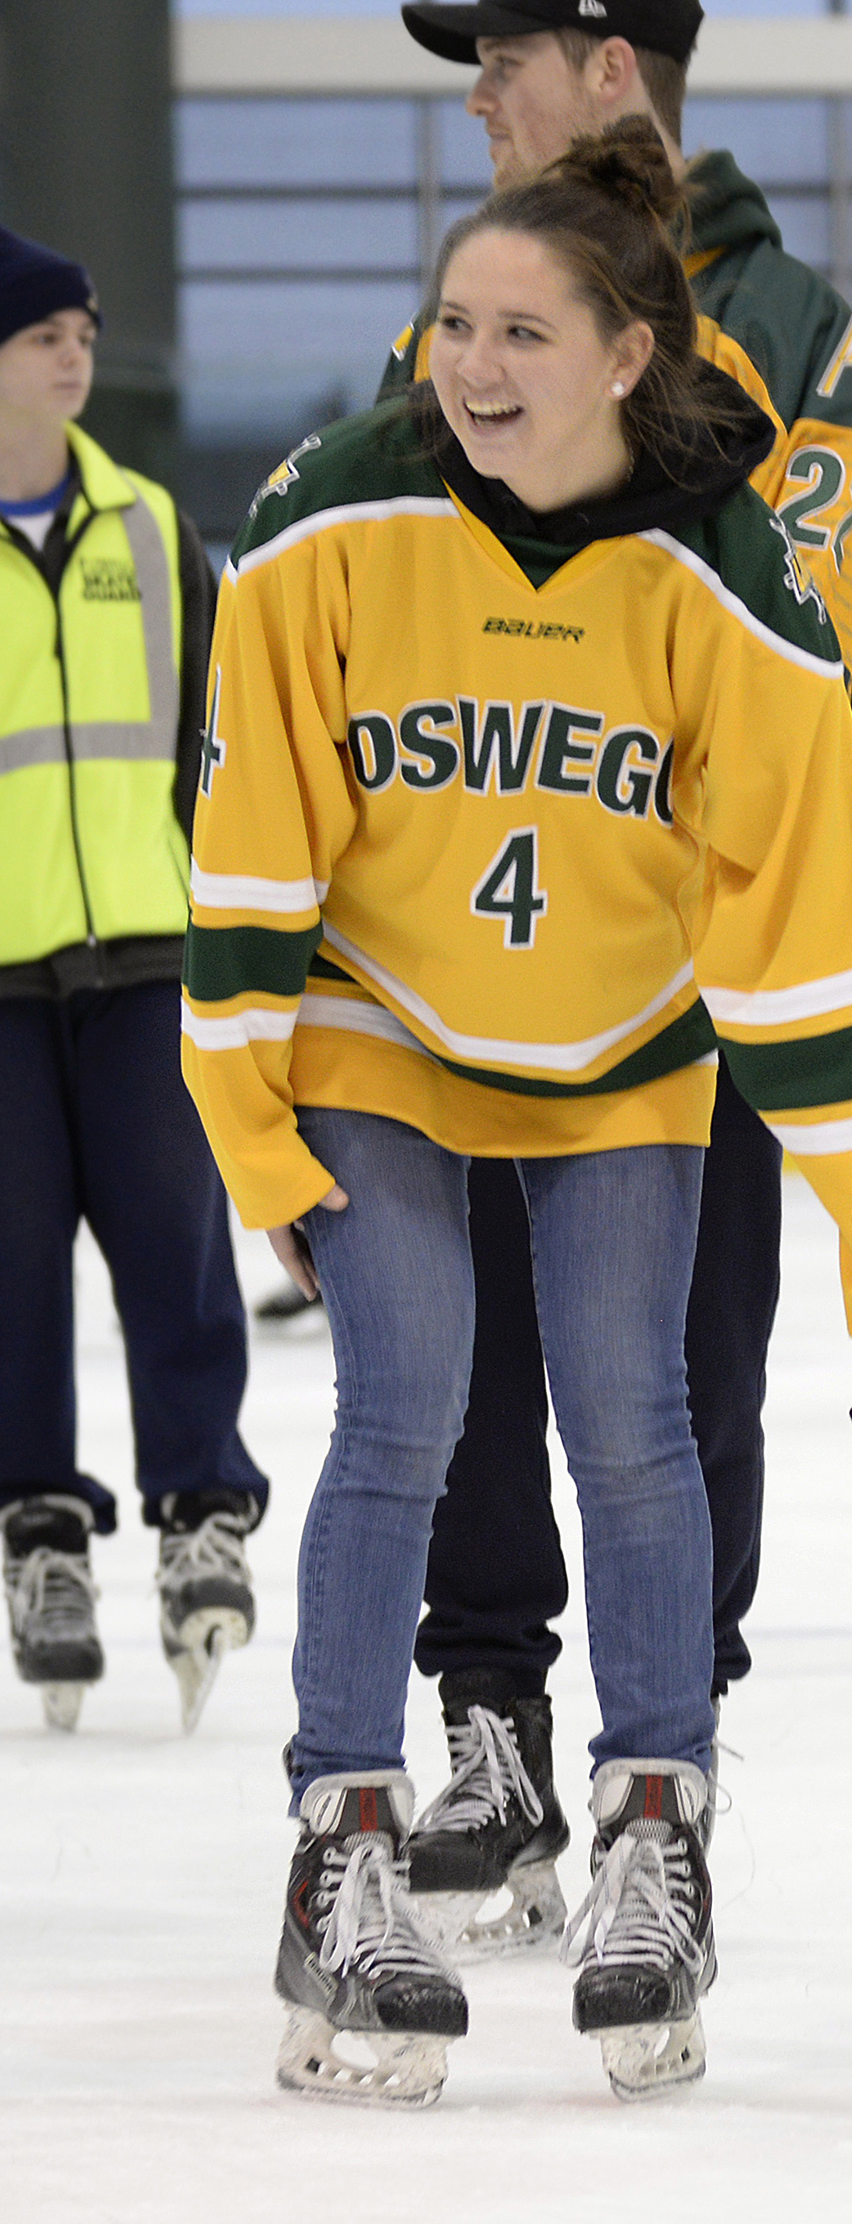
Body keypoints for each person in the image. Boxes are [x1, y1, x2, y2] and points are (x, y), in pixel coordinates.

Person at [182, 125, 852, 2108]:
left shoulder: (742, 589)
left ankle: (654, 1828)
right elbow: (251, 858)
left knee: (635, 1417)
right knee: (405, 1403)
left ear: (632, 352)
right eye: (454, 322)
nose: (471, 362)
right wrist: (256, 1135)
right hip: (380, 1029)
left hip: (629, 1044)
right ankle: (343, 1847)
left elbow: (820, 952)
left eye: (523, 329)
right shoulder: (320, 525)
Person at [366, 0, 852, 1954]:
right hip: (451, 955)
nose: (479, 107)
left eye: (499, 66)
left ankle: (660, 1768)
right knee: (461, 1363)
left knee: (681, 1379)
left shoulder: (797, 338)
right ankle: (493, 1723)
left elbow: (795, 641)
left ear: (611, 69)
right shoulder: (462, 308)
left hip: (694, 975)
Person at [0, 228, 268, 1736]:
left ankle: (199, 1512)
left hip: (150, 957)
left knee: (177, 1242)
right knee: (10, 1266)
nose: (76, 349)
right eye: (46, 331)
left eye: (86, 329)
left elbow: (214, 759)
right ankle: (39, 1530)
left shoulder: (156, 530)